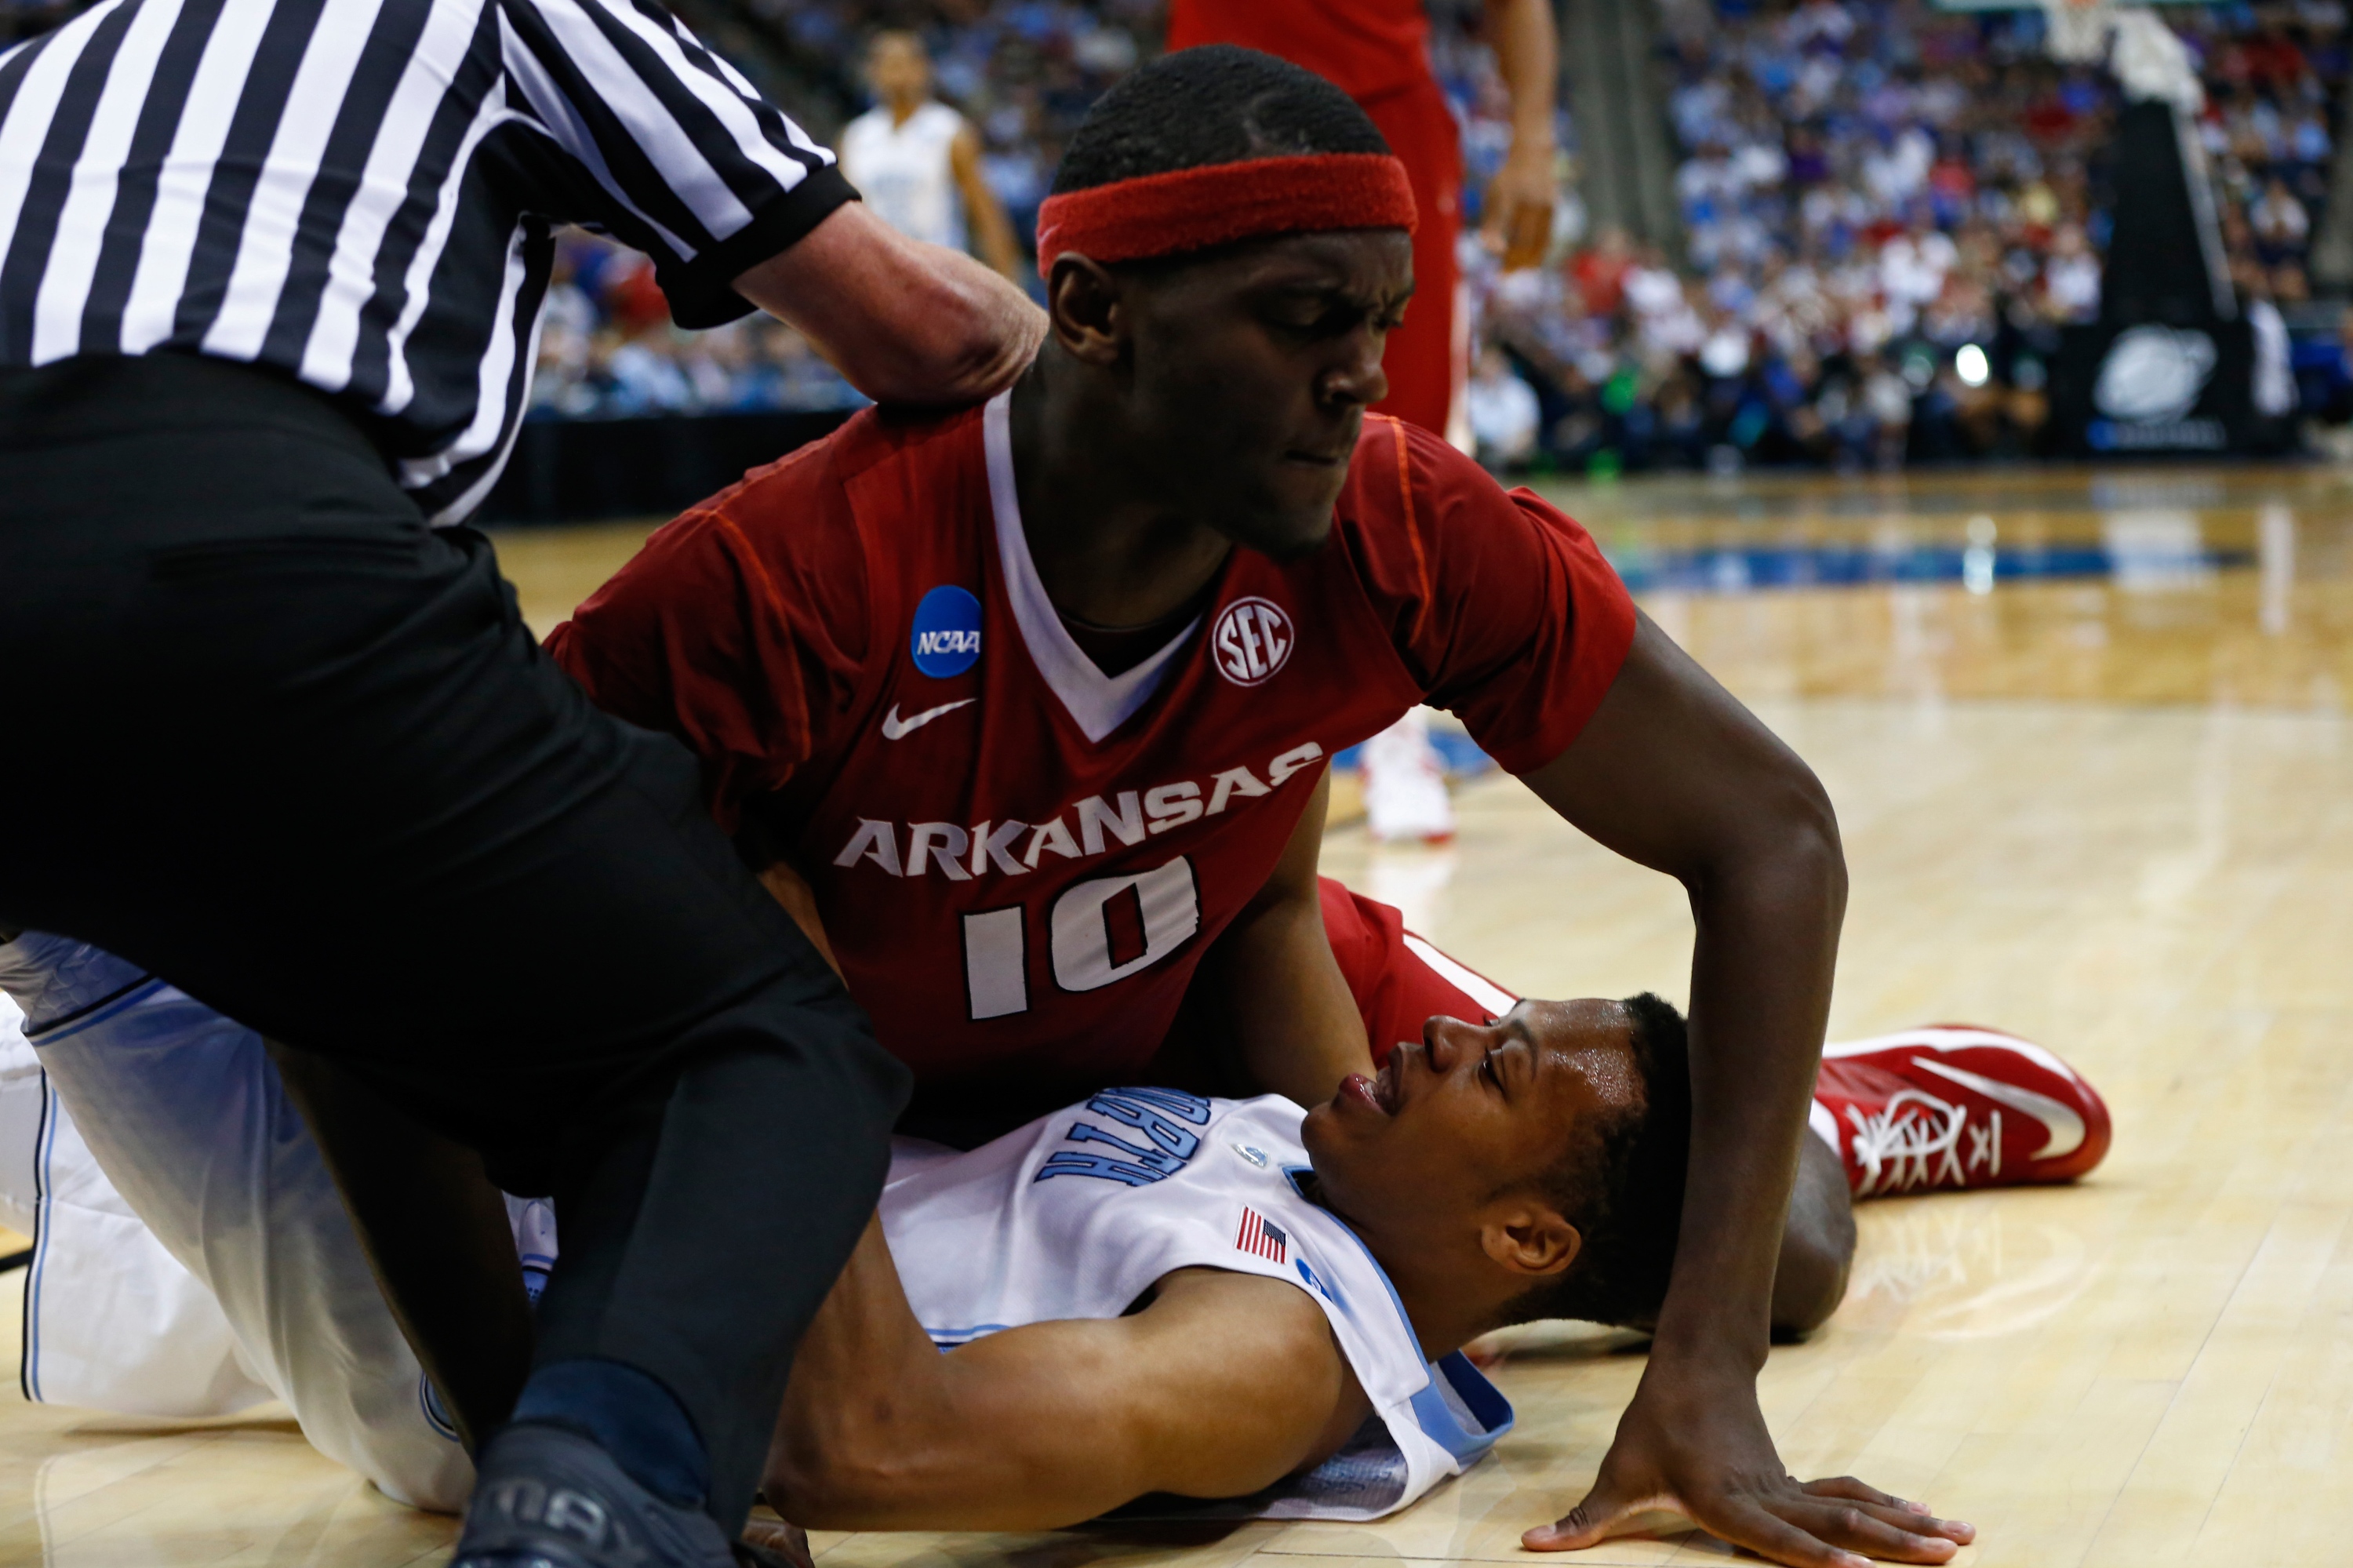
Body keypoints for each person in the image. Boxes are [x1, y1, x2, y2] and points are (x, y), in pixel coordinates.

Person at [539, 47, 1915, 1566]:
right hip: (860, 1087)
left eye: (1381, 324)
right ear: (1091, 313)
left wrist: (1699, 1366)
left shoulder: (1397, 520)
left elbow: (1772, 832)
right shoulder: (784, 580)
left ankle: (1842, 1094)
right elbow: (458, 954)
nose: (1367, 376)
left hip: (1196, 985)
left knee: (1779, 1237)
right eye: (1307, 319)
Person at [0, 0, 1042, 1561]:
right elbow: (932, 330)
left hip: (88, 828)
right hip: (242, 547)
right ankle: (590, 1490)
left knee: (337, 982)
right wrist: (1094, 371)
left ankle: (526, 1453)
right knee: (753, 1043)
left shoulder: (38, 67)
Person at [0, 881, 2106, 1553]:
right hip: (364, 1247)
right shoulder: (1312, 1142)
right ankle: (1830, 1104)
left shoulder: (1273, 1336)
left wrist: (781, 988)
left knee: (132, 810)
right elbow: (1269, 863)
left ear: (1538, 1238)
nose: (1435, 1042)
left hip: (524, 1337)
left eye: (1490, 1063)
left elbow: (867, 1444)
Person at [1164, 1, 1562, 842]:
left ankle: (1394, 736)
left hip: (1381, 118)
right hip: (1204, 112)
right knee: (1191, 414)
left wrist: (1531, 139)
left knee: (1399, 430)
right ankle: (1173, 730)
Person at [837, 31, 1028, 286]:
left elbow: (986, 216)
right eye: (889, 64)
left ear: (923, 69)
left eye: (905, 63)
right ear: (871, 72)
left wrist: (1011, 285)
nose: (898, 74)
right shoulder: (854, 137)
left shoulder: (950, 131)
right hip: (875, 280)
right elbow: (845, 223)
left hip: (939, 279)